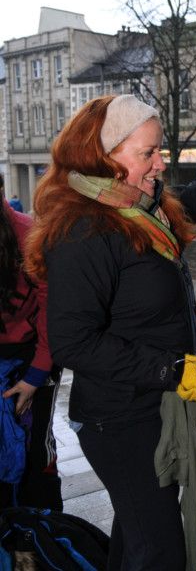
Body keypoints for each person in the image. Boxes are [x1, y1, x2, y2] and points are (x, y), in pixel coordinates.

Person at [25, 95, 196, 570]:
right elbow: (73, 341)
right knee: (161, 552)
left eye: (160, 150)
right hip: (119, 422)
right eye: (147, 153)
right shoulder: (83, 229)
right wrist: (171, 370)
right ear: (105, 157)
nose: (160, 163)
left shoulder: (143, 211)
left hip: (154, 408)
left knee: (138, 538)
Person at [0, 177, 62, 511]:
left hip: (31, 358)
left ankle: (45, 534)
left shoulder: (29, 235)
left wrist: (35, 377)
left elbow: (50, 310)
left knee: (36, 451)